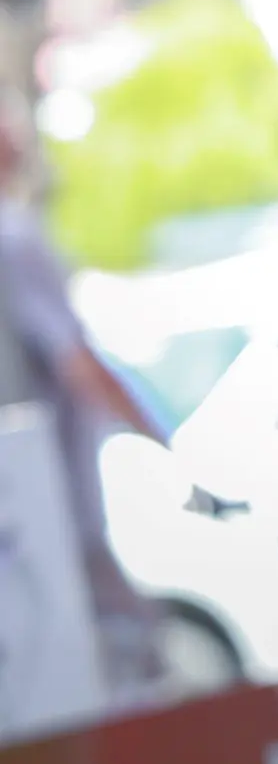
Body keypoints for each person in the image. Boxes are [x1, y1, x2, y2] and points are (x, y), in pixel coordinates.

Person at [0, 100, 168, 695]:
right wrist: (156, 438)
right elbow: (78, 363)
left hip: (28, 512)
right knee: (125, 661)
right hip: (50, 503)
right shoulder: (14, 238)